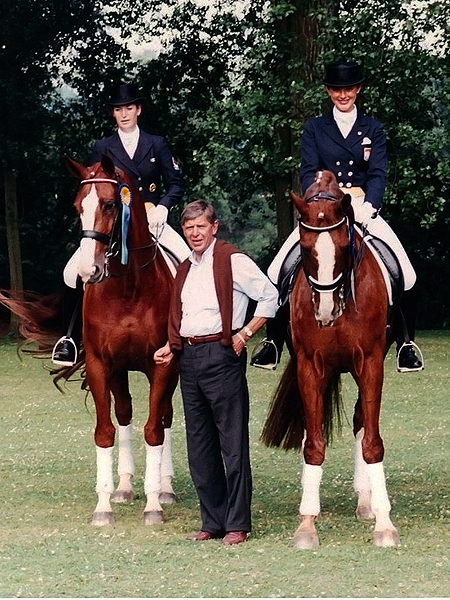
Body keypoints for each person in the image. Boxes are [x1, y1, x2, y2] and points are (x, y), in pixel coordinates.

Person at [251, 60, 423, 373]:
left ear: (357, 89)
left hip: (360, 204)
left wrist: (369, 205)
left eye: (348, 89)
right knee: (277, 270)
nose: (343, 95)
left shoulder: (373, 128)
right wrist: (318, 202)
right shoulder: (315, 128)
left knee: (406, 272)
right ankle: (273, 342)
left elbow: (378, 172)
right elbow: (308, 171)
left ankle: (406, 344)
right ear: (329, 91)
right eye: (336, 89)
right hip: (323, 207)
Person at [154, 200, 278, 545]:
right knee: (199, 445)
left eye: (201, 226)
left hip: (222, 355)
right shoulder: (185, 268)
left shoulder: (232, 260)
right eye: (189, 228)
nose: (195, 233)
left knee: (232, 443)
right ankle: (213, 521)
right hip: (189, 357)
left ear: (214, 227)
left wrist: (245, 334)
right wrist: (171, 345)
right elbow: (186, 315)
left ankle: (237, 523)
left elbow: (270, 296)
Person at [52, 82, 190, 366]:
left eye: (129, 108)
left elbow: (176, 183)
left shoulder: (156, 143)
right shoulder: (103, 146)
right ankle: (69, 338)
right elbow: (94, 186)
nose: (124, 114)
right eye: (118, 110)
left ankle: (187, 335)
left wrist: (163, 207)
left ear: (138, 110)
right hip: (113, 224)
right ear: (113, 114)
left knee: (188, 265)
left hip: (152, 219)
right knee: (70, 272)